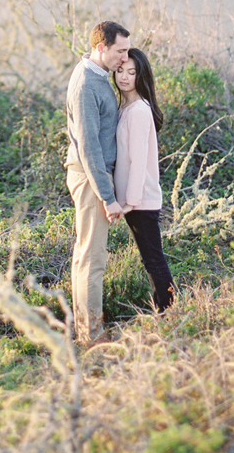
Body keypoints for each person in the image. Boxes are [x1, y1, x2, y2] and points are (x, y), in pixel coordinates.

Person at [65, 20, 131, 345]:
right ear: (101, 47)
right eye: (120, 50)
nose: (125, 57)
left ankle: (85, 331)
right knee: (93, 260)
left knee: (84, 257)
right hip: (91, 178)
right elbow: (89, 147)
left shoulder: (96, 77)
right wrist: (108, 196)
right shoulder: (86, 85)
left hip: (92, 176)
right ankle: (92, 336)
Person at [112, 47, 175, 312]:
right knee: (151, 258)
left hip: (141, 201)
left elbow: (138, 161)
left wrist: (130, 201)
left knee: (153, 260)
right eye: (120, 71)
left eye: (132, 72)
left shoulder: (138, 110)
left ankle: (170, 312)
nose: (124, 77)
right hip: (135, 200)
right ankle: (168, 310)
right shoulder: (127, 108)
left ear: (141, 76)